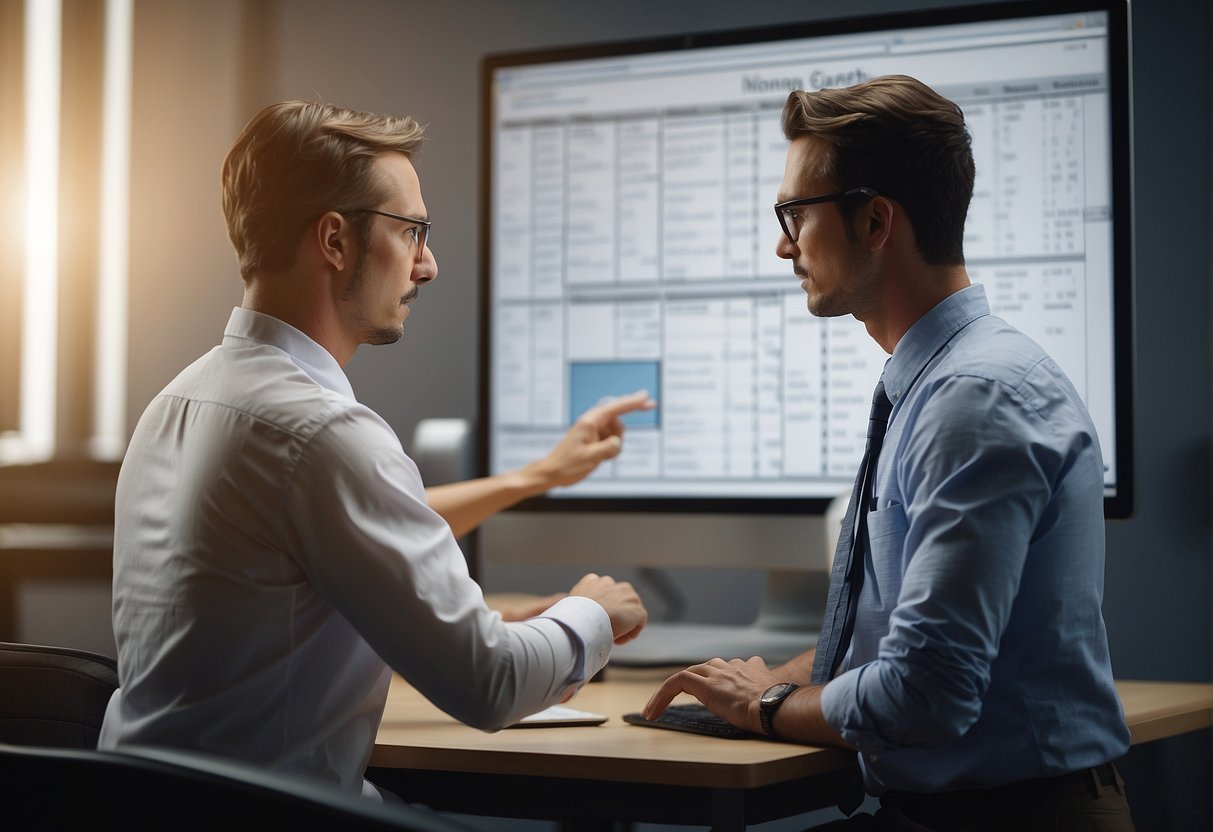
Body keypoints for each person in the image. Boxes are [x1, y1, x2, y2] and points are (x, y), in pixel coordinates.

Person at [99, 100, 652, 800]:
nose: (428, 265)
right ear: (334, 240)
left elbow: (299, 566)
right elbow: (491, 684)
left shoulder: (176, 403)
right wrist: (593, 612)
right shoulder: (323, 432)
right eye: (411, 231)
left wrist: (450, 596)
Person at [643, 76, 1134, 830]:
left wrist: (768, 705)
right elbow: (909, 635)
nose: (782, 244)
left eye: (795, 215)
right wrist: (781, 679)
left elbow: (927, 693)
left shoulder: (973, 399)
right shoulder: (937, 382)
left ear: (874, 222)